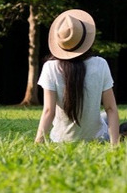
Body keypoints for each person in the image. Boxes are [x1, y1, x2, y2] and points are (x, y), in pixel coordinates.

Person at [34, 9, 120, 145]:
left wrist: (38, 141)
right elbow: (111, 108)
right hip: (96, 138)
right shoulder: (100, 64)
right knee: (104, 116)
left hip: (61, 140)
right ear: (85, 39)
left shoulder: (50, 67)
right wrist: (115, 145)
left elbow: (49, 111)